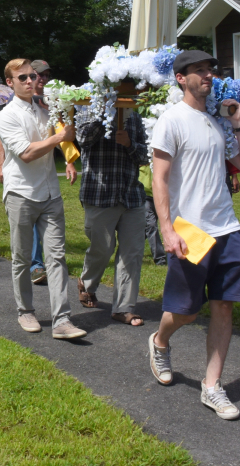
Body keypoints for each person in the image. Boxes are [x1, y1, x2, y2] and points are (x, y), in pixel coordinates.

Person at [148, 50, 240, 420]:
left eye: (210, 70)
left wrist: (239, 124)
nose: (208, 75)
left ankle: (211, 386)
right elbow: (159, 179)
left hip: (227, 227)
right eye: (199, 71)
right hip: (190, 230)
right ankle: (160, 341)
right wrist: (167, 228)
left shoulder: (215, 121)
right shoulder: (171, 120)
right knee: (186, 312)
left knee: (223, 306)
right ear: (181, 78)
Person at [0, 58, 85, 340]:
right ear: (10, 82)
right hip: (21, 192)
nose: (29, 81)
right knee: (22, 258)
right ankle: (25, 310)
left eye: (32, 76)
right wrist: (59, 137)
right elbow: (26, 153)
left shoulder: (45, 109)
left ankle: (62, 320)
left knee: (56, 257)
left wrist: (68, 157)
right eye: (21, 77)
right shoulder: (6, 115)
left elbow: (64, 137)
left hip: (50, 193)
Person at [75, 107, 148, 326]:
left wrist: (129, 144)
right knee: (102, 248)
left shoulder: (135, 114)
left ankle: (123, 308)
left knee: (132, 254)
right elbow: (82, 139)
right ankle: (87, 284)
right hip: (99, 195)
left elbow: (146, 155)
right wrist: (105, 115)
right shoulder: (89, 106)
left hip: (131, 196)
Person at [139, 165, 168, 265]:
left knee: (144, 230)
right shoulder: (142, 155)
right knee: (151, 226)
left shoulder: (158, 157)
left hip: (158, 196)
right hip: (144, 196)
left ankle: (129, 249)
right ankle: (160, 259)